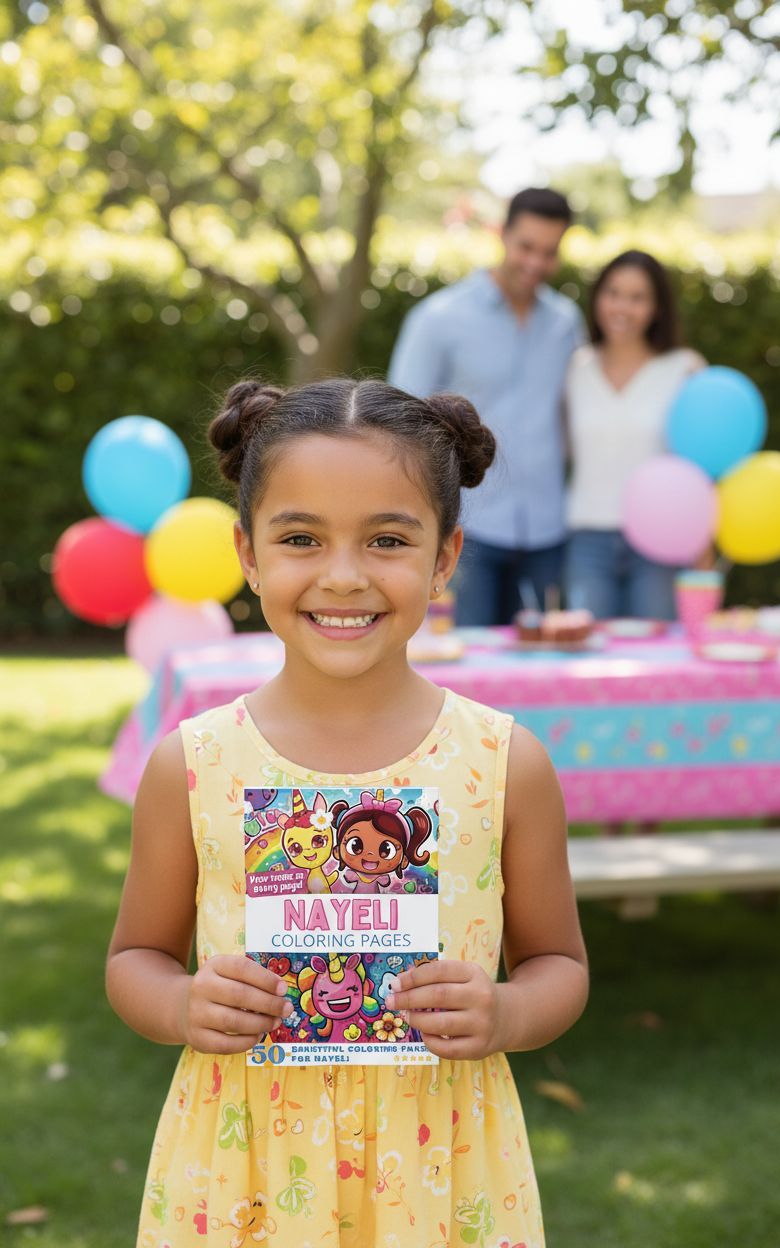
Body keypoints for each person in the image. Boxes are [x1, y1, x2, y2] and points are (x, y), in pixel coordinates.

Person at [106, 377, 589, 1247]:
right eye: (300, 538)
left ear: (445, 559)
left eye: (388, 540)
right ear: (247, 552)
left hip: (439, 1166)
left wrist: (507, 1014)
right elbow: (134, 957)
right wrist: (182, 1004)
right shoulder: (192, 764)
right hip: (244, 1167)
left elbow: (559, 963)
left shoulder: (504, 763)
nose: (343, 576)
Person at [389, 187, 585, 626]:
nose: (536, 263)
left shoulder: (566, 323)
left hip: (548, 530)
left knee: (546, 668)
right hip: (468, 531)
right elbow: (399, 425)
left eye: (550, 252)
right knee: (470, 672)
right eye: (526, 247)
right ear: (503, 235)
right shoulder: (438, 319)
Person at [564, 249, 706, 621]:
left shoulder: (684, 369)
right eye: (613, 293)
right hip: (587, 539)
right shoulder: (576, 368)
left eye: (637, 297)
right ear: (598, 298)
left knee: (657, 659)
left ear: (657, 307)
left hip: (659, 541)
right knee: (587, 661)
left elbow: (703, 468)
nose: (622, 307)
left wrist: (702, 550)